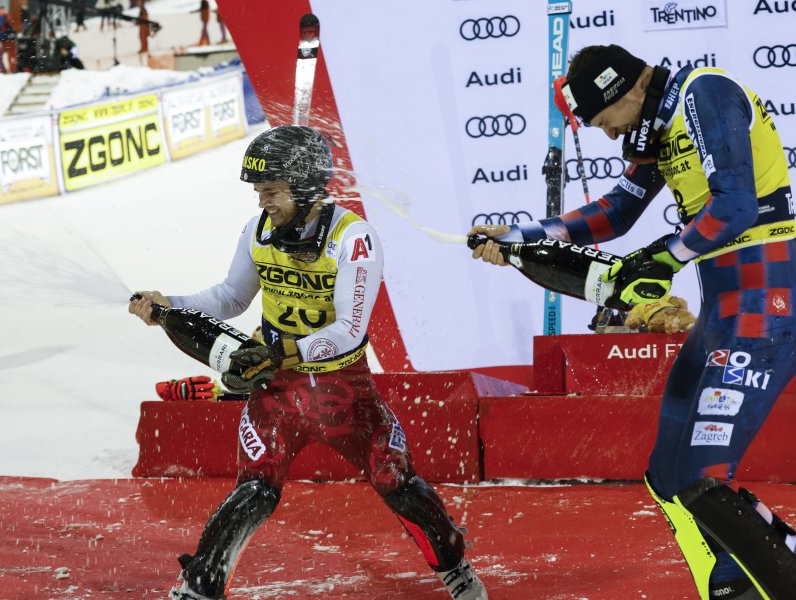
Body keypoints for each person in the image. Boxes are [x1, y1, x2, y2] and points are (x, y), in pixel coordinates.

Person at [470, 44, 795, 599]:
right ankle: (730, 584)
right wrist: (521, 237)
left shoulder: (704, 93)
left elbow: (736, 206)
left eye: (605, 121)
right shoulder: (655, 127)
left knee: (699, 478)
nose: (609, 136)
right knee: (667, 475)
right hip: (725, 310)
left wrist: (664, 258)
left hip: (767, 304)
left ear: (629, 91)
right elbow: (615, 214)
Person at [130, 125, 488, 600]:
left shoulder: (354, 239)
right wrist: (168, 303)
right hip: (276, 392)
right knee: (254, 490)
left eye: (272, 192)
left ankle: (454, 567)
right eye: (259, 192)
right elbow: (231, 297)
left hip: (343, 392)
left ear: (304, 188)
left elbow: (349, 331)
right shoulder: (258, 230)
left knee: (396, 483)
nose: (263, 203)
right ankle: (198, 589)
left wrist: (282, 352)